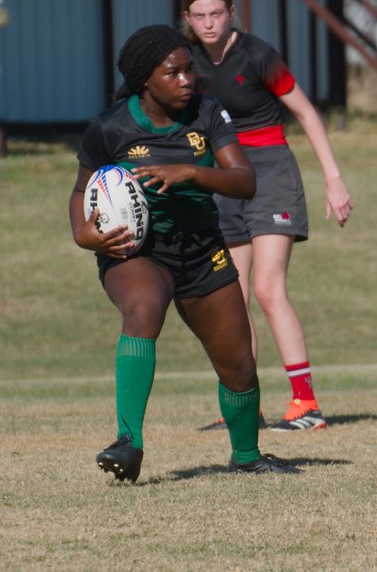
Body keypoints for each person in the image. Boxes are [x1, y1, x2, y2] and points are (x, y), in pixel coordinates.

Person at [68, 24, 298, 481]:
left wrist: (190, 173)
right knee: (143, 307)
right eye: (174, 73)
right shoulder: (110, 126)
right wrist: (84, 234)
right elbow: (80, 191)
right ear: (145, 80)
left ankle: (247, 457)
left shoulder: (208, 114)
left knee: (238, 362)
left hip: (201, 249)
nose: (187, 80)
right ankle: (128, 442)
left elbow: (244, 180)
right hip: (137, 250)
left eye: (189, 70)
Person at [181, 0, 354, 432]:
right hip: (223, 176)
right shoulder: (186, 62)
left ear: (231, 12)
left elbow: (306, 112)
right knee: (232, 299)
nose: (208, 23)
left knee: (267, 288)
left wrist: (333, 180)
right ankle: (243, 408)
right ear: (187, 19)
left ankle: (306, 404)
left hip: (270, 171)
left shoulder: (257, 55)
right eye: (199, 16)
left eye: (216, 13)